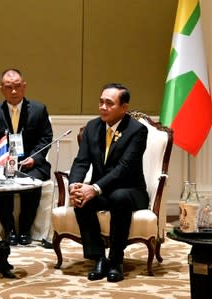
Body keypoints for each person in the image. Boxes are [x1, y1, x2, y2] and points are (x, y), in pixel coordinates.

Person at [69, 83, 149, 282]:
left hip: (131, 190)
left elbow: (124, 168)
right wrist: (75, 185)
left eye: (109, 104)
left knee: (118, 196)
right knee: (81, 200)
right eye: (101, 102)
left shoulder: (137, 130)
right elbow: (81, 161)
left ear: (124, 108)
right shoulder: (92, 127)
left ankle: (116, 260)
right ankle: (98, 258)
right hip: (103, 190)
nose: (103, 107)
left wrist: (95, 188)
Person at [0, 69, 53, 246]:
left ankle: (24, 230)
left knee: (33, 183)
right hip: (3, 163)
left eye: (17, 87)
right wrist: (1, 160)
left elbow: (45, 138)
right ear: (1, 89)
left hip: (31, 163)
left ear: (24, 87)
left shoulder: (38, 109)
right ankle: (9, 229)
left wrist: (34, 159)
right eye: (9, 87)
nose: (13, 91)